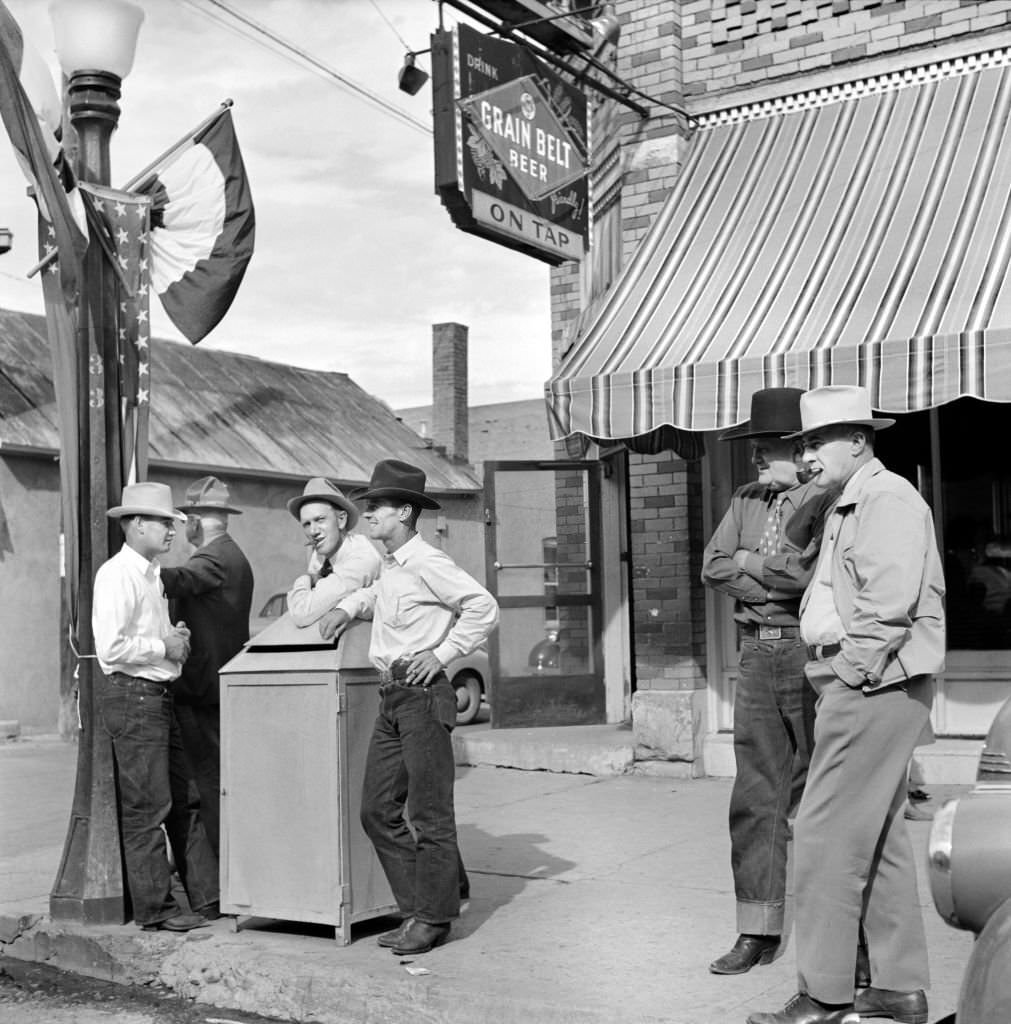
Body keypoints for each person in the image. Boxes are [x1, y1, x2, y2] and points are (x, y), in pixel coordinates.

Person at [748, 385, 945, 1024]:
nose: (804, 456)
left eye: (816, 442)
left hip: (871, 682)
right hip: (873, 680)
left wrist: (849, 676)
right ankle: (897, 986)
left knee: (823, 839)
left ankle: (825, 993)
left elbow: (888, 607)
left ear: (858, 439)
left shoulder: (885, 498)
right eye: (801, 444)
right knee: (880, 837)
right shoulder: (850, 499)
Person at [318, 460, 498, 956]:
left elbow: (484, 606)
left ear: (404, 511)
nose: (367, 513)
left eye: (376, 506)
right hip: (393, 696)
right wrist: (346, 607)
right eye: (368, 505)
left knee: (429, 814)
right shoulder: (394, 566)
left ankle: (433, 919)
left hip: (423, 696)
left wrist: (441, 654)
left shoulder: (427, 561)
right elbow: (379, 595)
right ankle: (422, 907)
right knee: (377, 812)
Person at [701, 387, 836, 976]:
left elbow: (808, 576)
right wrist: (775, 588)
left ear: (799, 447)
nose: (755, 460)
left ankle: (833, 936)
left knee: (819, 798)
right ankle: (757, 929)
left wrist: (758, 569)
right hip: (757, 655)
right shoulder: (748, 498)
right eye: (753, 450)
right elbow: (713, 564)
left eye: (766, 449)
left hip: (810, 656)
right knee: (755, 797)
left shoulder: (827, 499)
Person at [92, 482, 219, 932]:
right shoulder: (117, 575)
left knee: (187, 798)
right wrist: (163, 645)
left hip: (156, 697)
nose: (172, 530)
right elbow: (111, 646)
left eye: (173, 523)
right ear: (137, 524)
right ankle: (156, 909)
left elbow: (154, 644)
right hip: (133, 696)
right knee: (149, 808)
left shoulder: (150, 575)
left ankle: (207, 898)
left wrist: (174, 642)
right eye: (165, 522)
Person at [160, 476, 254, 858]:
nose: (183, 528)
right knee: (213, 782)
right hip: (216, 688)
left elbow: (181, 579)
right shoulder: (232, 555)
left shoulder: (214, 558)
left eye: (184, 520)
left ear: (197, 521)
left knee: (207, 784)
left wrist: (138, 566)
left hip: (202, 692)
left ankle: (219, 874)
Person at [285, 477, 381, 628]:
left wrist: (305, 579)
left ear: (341, 520)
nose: (313, 531)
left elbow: (302, 614)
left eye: (320, 520)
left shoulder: (361, 559)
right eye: (306, 524)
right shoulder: (320, 556)